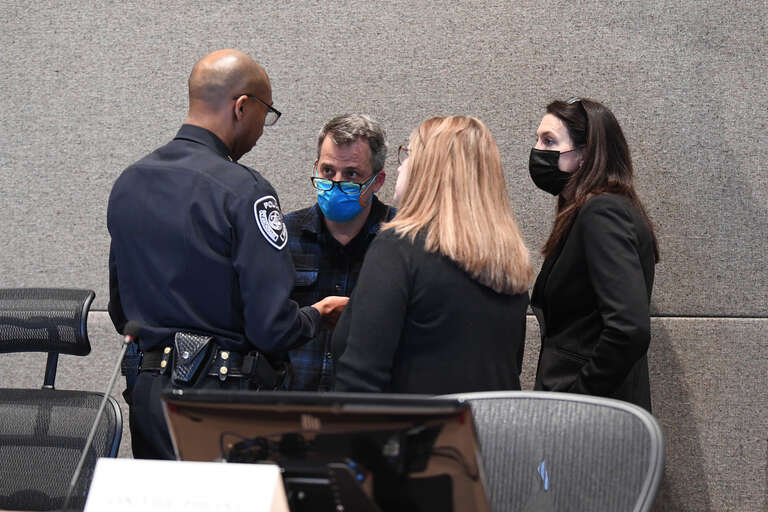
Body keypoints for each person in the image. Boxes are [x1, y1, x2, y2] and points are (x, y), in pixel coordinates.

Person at [108, 49, 346, 459]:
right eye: (265, 113)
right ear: (242, 107)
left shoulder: (130, 182)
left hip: (146, 396)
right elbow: (271, 326)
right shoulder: (246, 192)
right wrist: (316, 316)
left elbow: (119, 310)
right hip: (222, 402)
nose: (261, 128)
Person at [332, 116, 533, 394]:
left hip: (414, 434)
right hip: (487, 434)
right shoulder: (511, 266)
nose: (401, 165)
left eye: (409, 154)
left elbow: (359, 381)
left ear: (430, 171)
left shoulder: (399, 247)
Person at [528, 97, 659, 411]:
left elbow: (629, 329)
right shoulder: (590, 212)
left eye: (549, 141)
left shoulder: (602, 212)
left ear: (585, 154)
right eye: (537, 140)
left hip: (591, 421)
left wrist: (579, 397)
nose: (537, 150)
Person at [285, 114, 395, 391]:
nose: (335, 182)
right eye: (327, 171)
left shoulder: (401, 240)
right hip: (292, 403)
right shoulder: (284, 233)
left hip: (368, 408)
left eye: (351, 174)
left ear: (377, 181)